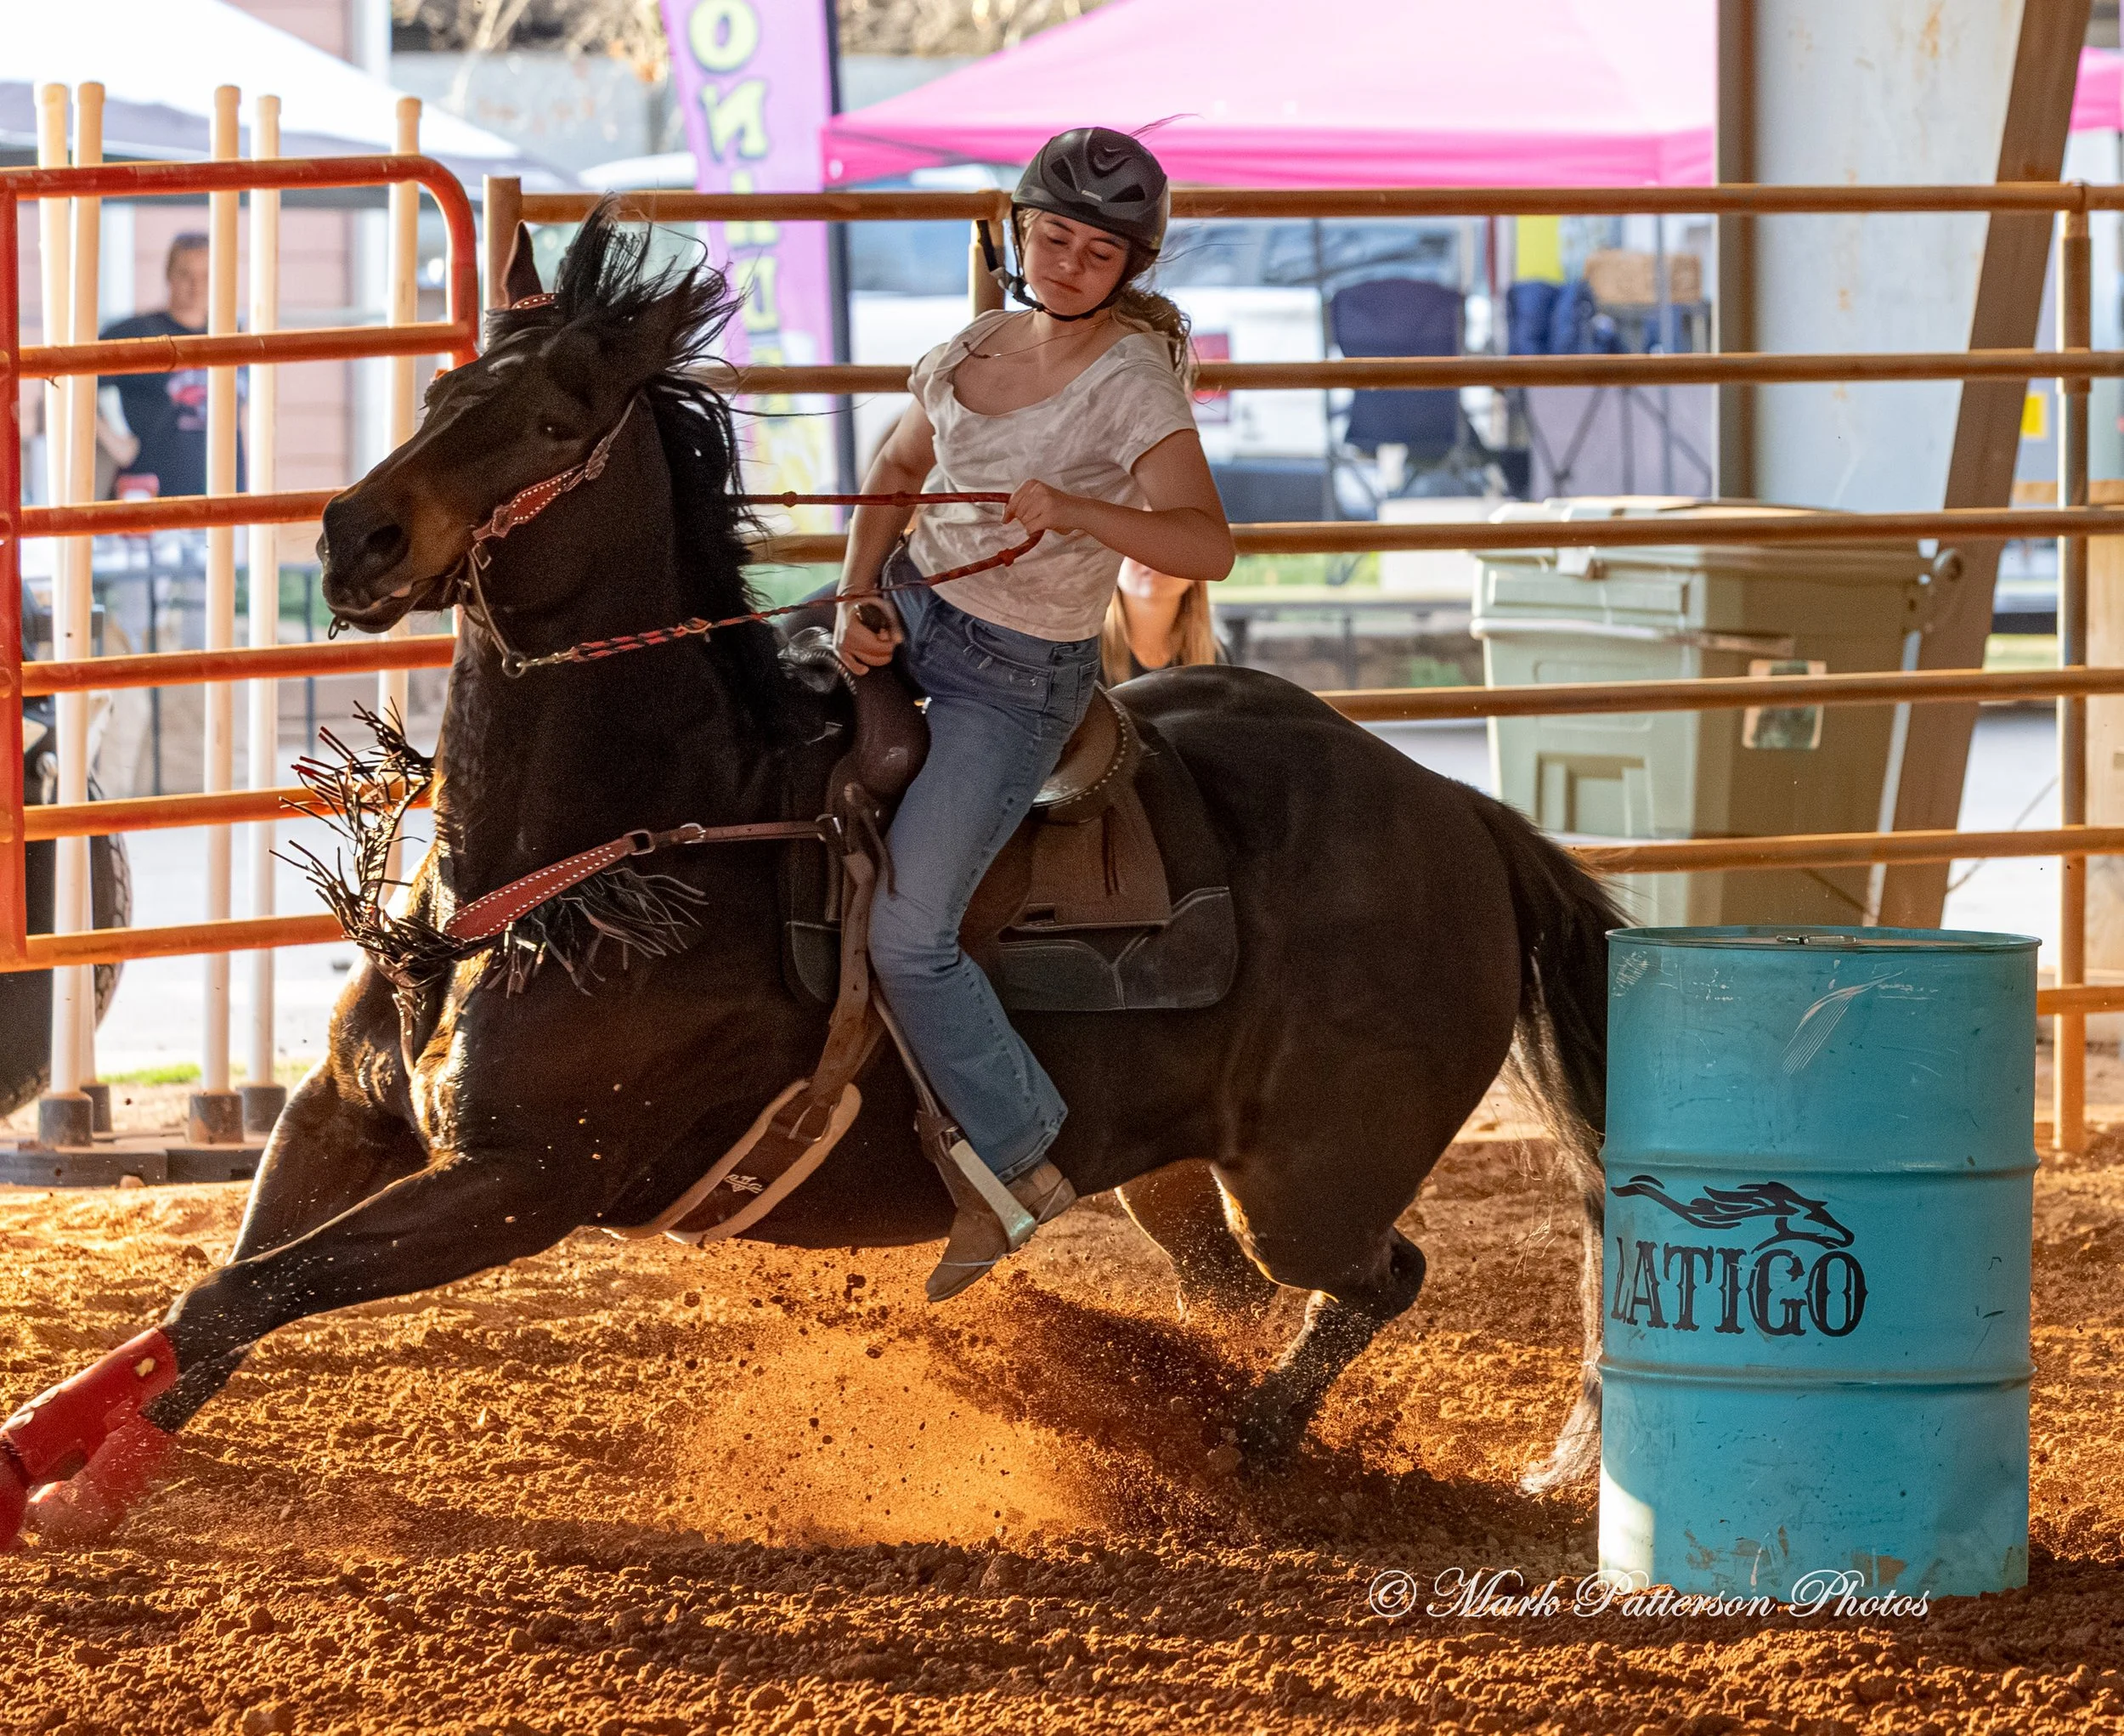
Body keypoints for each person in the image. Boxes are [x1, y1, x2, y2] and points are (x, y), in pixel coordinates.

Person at [834, 127, 1234, 1302]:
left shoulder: (1132, 385)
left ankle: (1017, 1156)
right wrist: (857, 595)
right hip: (914, 613)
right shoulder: (968, 347)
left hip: (1013, 679)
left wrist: (1081, 510)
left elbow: (1206, 543)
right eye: (1053, 238)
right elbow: (894, 474)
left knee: (913, 934)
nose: (1067, 264)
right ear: (1020, 234)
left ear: (1129, 267)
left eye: (1096, 252)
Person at [99, 232, 234, 500]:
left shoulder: (232, 336)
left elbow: (242, 412)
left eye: (206, 275)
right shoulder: (137, 334)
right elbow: (71, 382)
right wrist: (115, 442)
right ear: (169, 275)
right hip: (151, 496)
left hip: (222, 493)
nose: (196, 285)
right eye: (186, 274)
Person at [1101, 556, 1224, 684]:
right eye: (1139, 546)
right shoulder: (1088, 652)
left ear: (1197, 572)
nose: (1155, 557)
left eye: (1175, 547)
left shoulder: (1215, 659)